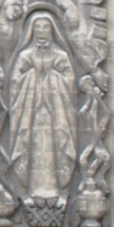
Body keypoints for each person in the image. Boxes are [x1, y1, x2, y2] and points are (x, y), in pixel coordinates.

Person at [8, 12, 77, 204]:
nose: (42, 31)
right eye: (38, 27)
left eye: (46, 27)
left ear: (52, 30)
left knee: (55, 147)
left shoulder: (60, 56)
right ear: (32, 30)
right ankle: (32, 191)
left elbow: (69, 82)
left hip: (56, 115)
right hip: (32, 115)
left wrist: (52, 77)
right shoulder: (25, 55)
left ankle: (57, 191)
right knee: (34, 148)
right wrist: (32, 76)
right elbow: (15, 81)